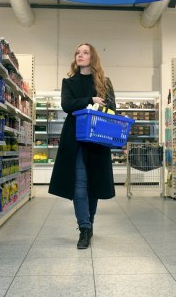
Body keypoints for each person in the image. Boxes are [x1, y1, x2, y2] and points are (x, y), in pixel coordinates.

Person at [49, 43, 116, 249]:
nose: (80, 55)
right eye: (78, 52)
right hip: (75, 139)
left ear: (92, 57)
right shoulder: (68, 82)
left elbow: (112, 107)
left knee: (93, 185)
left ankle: (90, 223)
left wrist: (100, 104)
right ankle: (84, 228)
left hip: (98, 138)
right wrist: (91, 100)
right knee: (79, 184)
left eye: (85, 52)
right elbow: (67, 105)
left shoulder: (105, 82)